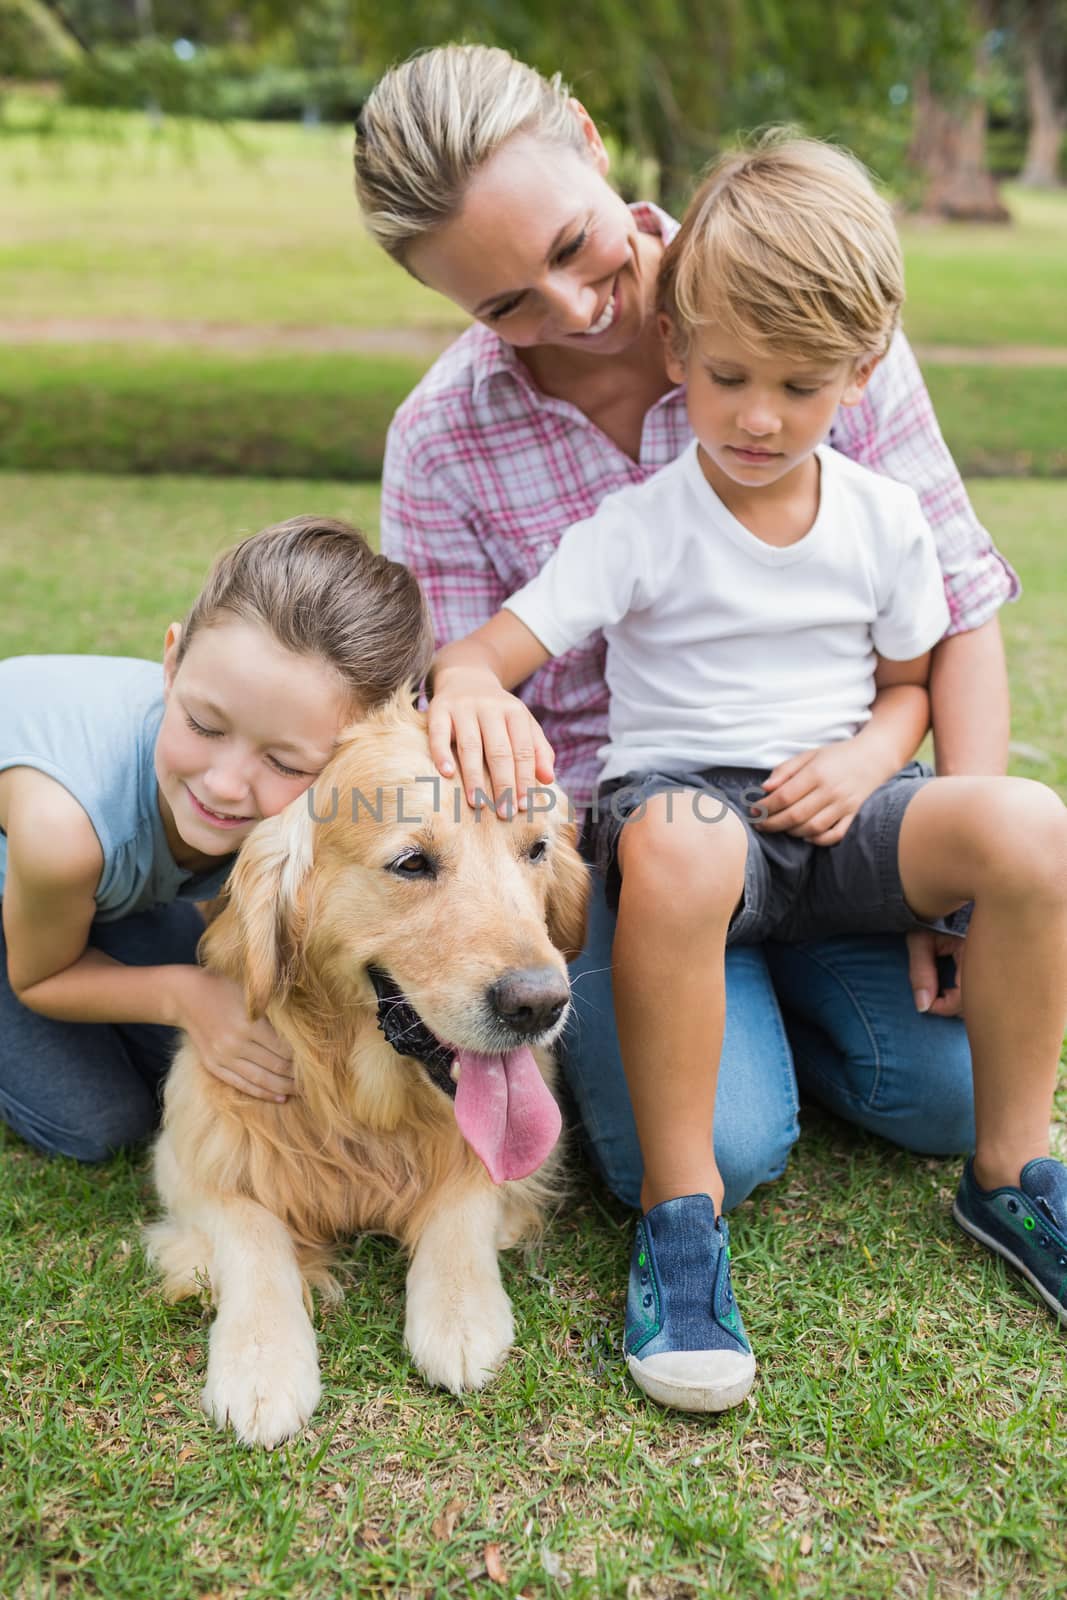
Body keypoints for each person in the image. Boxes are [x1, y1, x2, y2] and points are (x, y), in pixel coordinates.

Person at [426, 135, 1067, 1411]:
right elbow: (488, 652)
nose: (759, 416)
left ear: (859, 375)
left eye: (797, 384)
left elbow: (907, 686)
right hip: (680, 808)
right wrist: (459, 681)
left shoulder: (883, 520)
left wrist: (868, 759)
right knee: (675, 839)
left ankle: (1010, 1173)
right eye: (726, 377)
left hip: (837, 802)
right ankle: (680, 1221)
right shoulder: (639, 525)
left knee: (1030, 826)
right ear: (678, 353)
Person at [353, 45, 1018, 1216]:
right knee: (731, 1143)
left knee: (948, 1100)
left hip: (829, 805)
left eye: (570, 246)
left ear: (589, 140)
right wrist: (461, 686)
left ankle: (771, 987)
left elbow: (951, 610)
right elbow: (461, 693)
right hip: (635, 846)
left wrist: (949, 899)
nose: (573, 311)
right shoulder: (441, 438)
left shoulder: (804, 312)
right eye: (505, 303)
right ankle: (713, 1014)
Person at [0, 515, 432, 1163]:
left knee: (241, 1050)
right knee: (103, 1121)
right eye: (204, 724)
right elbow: (42, 978)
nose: (226, 785)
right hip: (37, 894)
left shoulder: (346, 792)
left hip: (101, 892)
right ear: (171, 662)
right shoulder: (62, 831)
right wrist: (186, 994)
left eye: (286, 764)